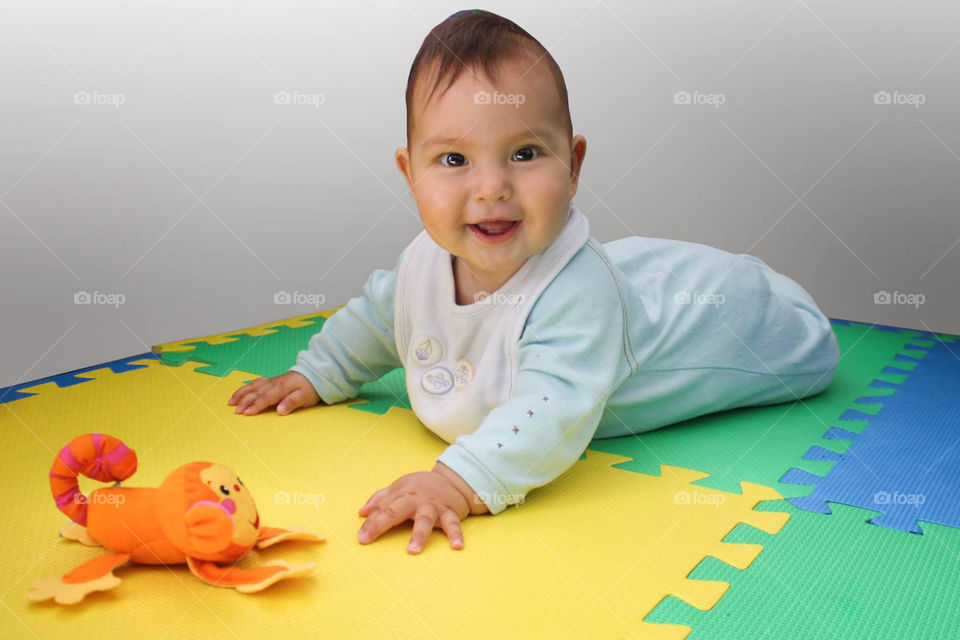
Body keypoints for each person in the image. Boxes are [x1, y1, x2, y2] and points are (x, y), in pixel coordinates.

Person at [228, 9, 840, 555]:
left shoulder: (580, 295)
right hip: (632, 282)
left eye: (524, 154)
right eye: (453, 160)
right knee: (627, 276)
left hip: (741, 324)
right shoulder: (426, 261)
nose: (491, 188)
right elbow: (381, 316)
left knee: (667, 297)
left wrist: (457, 480)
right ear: (410, 174)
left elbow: (553, 410)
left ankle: (765, 302)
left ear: (572, 166)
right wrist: (320, 372)